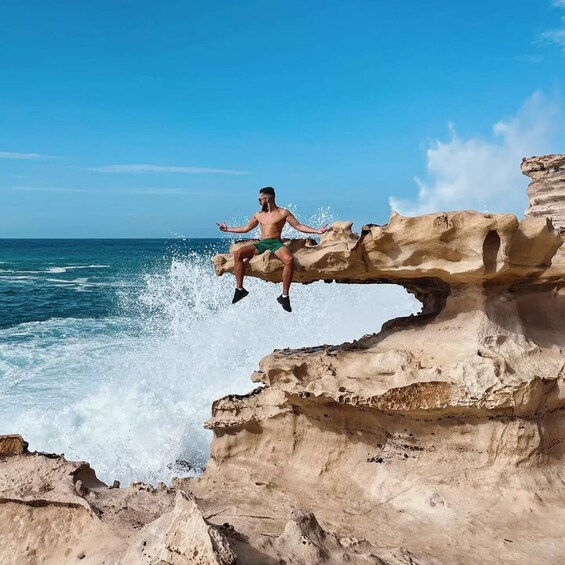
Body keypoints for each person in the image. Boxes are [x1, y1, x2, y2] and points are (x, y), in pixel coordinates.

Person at [217, 187, 331, 312]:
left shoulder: (283, 213)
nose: (258, 202)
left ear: (267, 199)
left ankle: (284, 296)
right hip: (262, 244)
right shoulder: (258, 215)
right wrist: (227, 229)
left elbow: (298, 226)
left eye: (260, 199)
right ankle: (240, 289)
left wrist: (317, 231)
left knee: (289, 259)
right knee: (238, 253)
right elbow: (245, 229)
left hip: (276, 243)